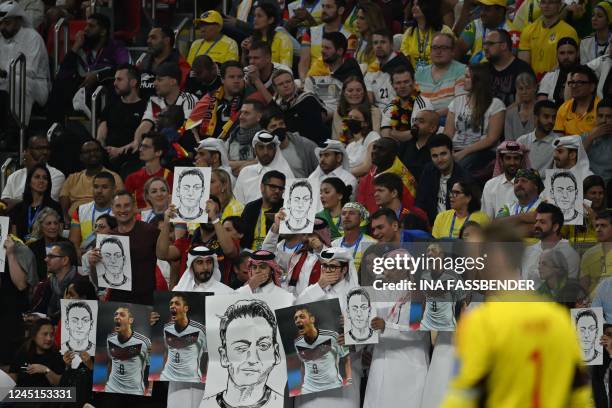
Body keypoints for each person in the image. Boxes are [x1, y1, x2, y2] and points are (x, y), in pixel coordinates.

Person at [440, 224, 593, 408]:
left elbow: (463, 396)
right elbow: (580, 396)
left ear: (495, 256)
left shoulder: (482, 322)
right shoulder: (559, 319)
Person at [47, 13, 129, 123]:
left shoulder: (116, 47)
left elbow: (126, 69)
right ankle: (54, 128)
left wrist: (98, 76)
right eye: (86, 25)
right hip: (81, 88)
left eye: (91, 26)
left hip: (104, 87)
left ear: (103, 32)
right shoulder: (82, 48)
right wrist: (76, 46)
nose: (85, 29)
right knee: (59, 85)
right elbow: (63, 72)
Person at [203, 299, 282, 407]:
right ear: (224, 356)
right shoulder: (206, 405)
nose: (252, 359)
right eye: (241, 348)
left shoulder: (284, 403)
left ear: (276, 354)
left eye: (263, 346)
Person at [88, 191, 160, 304]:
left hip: (147, 300)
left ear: (134, 207)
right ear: (112, 208)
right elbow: (99, 282)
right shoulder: (107, 238)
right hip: (118, 301)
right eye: (118, 206)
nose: (122, 210)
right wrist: (93, 265)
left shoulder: (150, 232)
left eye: (126, 205)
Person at [0, 0, 49, 141]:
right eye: (0, 23)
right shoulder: (1, 38)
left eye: (7, 23)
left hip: (35, 85)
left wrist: (4, 72)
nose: (2, 27)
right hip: (5, 82)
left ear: (18, 21)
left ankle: (16, 132)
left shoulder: (32, 37)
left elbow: (30, 71)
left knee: (18, 81)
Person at [444, 63, 505, 173]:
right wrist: (447, 151)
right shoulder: (456, 102)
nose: (463, 79)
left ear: (478, 81)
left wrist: (464, 152)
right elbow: (448, 134)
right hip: (455, 149)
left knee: (459, 167)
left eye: (467, 77)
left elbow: (491, 139)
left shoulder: (495, 104)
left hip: (481, 152)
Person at [132, 62, 198, 152]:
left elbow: (187, 129)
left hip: (182, 149)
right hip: (158, 150)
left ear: (173, 81)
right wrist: (137, 141)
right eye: (155, 80)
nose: (154, 83)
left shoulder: (189, 99)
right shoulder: (154, 101)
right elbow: (145, 125)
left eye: (159, 80)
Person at [97, 64, 147, 173]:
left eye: (119, 80)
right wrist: (104, 149)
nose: (115, 83)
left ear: (133, 82)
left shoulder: (145, 107)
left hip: (133, 158)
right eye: (115, 79)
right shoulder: (111, 105)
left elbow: (141, 141)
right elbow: (101, 133)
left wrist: (119, 151)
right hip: (108, 157)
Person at [416, 134, 473, 226]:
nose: (440, 159)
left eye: (443, 154)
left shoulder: (464, 178)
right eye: (435, 156)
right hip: (431, 226)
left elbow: (469, 212)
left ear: (452, 152)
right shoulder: (428, 171)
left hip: (455, 227)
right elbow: (420, 201)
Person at [59, 141, 122, 222]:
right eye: (88, 152)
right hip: (73, 222)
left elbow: (120, 200)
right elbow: (63, 197)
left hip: (103, 221)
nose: (92, 154)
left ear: (101, 154)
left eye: (96, 150)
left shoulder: (114, 177)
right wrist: (65, 218)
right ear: (81, 157)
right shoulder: (72, 178)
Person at [187, 61, 250, 140]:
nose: (236, 81)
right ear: (222, 80)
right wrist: (199, 144)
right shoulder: (209, 98)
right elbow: (190, 125)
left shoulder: (250, 99)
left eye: (240, 77)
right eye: (231, 77)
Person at [305, 32, 363, 118]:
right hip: (318, 115)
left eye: (327, 48)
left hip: (343, 117)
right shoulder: (317, 69)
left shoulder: (350, 70)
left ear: (339, 51)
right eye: (322, 47)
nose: (322, 51)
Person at [521, 202, 580, 286]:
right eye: (536, 221)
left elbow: (567, 290)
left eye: (542, 222)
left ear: (555, 227)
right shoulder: (529, 251)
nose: (536, 225)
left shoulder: (568, 254)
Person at [518, 0, 579, 78]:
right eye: (543, 2)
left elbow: (565, 63)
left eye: (551, 2)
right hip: (532, 83)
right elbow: (524, 65)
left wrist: (546, 81)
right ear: (540, 5)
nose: (546, 6)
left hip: (556, 80)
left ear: (559, 5)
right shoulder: (528, 30)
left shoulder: (569, 32)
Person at [1, 135, 65, 208]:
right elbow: (4, 204)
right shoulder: (15, 176)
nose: (45, 152)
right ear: (27, 151)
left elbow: (45, 204)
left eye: (47, 148)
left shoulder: (57, 175)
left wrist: (15, 202)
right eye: (39, 148)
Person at [357, 137, 417, 214]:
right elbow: (361, 210)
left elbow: (407, 211)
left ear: (393, 154)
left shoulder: (404, 181)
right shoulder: (366, 179)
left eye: (381, 149)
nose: (375, 152)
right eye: (374, 148)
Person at [415, 33, 466, 124]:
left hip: (449, 118)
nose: (438, 52)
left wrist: (432, 115)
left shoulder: (462, 70)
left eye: (444, 48)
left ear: (452, 51)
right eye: (435, 48)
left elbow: (460, 103)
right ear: (430, 51)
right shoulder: (419, 73)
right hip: (420, 119)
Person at [234, 130, 294, 205]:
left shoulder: (286, 174)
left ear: (275, 150)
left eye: (269, 147)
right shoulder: (245, 172)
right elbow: (237, 204)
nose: (265, 152)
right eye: (261, 147)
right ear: (254, 150)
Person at [272, 69, 328, 146]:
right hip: (289, 145)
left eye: (288, 82)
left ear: (293, 82)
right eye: (281, 84)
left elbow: (315, 130)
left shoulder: (308, 99)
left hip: (313, 145)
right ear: (275, 88)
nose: (285, 85)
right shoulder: (276, 104)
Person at [104, 306, 151, 395]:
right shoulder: (109, 339)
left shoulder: (144, 342)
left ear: (130, 320)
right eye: (116, 315)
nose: (117, 317)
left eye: (122, 315)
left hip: (134, 391)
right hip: (111, 388)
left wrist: (149, 391)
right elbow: (111, 362)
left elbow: (151, 369)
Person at [297, 0, 350, 80]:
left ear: (340, 10)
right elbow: (304, 62)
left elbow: (347, 64)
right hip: (312, 79)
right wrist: (304, 81)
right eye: (323, 6)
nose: (324, 10)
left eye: (328, 7)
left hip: (337, 80)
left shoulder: (349, 36)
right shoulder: (310, 32)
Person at [159, 294, 206, 382]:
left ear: (186, 309)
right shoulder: (166, 328)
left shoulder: (200, 330)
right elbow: (167, 350)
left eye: (177, 303)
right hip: (166, 376)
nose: (172, 306)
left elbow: (208, 356)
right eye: (171, 304)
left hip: (191, 379)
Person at [262, 107, 320, 178]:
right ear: (265, 131)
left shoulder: (307, 146)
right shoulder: (262, 151)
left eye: (281, 124)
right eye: (273, 126)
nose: (279, 128)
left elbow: (322, 171)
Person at [10, 164, 63, 241]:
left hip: (46, 250)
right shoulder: (18, 208)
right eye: (37, 177)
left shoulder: (55, 207)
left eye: (45, 178)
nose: (41, 181)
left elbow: (58, 236)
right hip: (21, 250)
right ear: (29, 181)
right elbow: (14, 239)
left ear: (48, 183)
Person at [68, 171, 116, 257]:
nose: (99, 191)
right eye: (96, 187)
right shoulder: (80, 210)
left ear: (114, 190)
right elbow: (74, 243)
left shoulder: (119, 212)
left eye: (104, 187)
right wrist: (83, 259)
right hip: (84, 260)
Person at [365, 29, 413, 112]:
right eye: (375, 43)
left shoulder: (402, 64)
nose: (379, 46)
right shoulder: (372, 69)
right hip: (377, 113)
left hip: (399, 111)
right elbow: (369, 100)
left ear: (391, 45)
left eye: (383, 42)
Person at [136, 26, 190, 99]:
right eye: (148, 38)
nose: (148, 41)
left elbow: (182, 94)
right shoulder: (143, 61)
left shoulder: (181, 65)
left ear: (166, 40)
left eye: (153, 38)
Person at [381, 66, 434, 141]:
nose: (402, 86)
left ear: (413, 82)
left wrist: (394, 133)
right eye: (398, 83)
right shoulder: (389, 107)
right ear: (392, 85)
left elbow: (420, 134)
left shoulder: (424, 103)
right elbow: (385, 135)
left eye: (406, 82)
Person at [484, 29, 535, 107]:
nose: (485, 48)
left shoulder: (523, 70)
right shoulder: (483, 69)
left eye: (490, 44)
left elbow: (524, 103)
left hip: (511, 117)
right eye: (485, 44)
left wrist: (498, 115)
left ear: (503, 46)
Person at [456, 0, 517, 64]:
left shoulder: (512, 33)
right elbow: (458, 50)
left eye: (487, 9)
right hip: (472, 70)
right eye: (482, 8)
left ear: (500, 11)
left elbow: (507, 64)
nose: (482, 13)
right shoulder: (475, 25)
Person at [124, 132, 174, 209]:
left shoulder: (170, 177)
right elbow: (126, 207)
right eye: (141, 146)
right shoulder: (131, 178)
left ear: (158, 152)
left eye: (145, 147)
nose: (140, 149)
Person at [481, 141, 530, 218]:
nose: (512, 162)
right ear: (501, 160)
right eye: (508, 158)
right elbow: (486, 219)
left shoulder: (531, 186)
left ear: (521, 160)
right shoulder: (490, 185)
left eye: (516, 158)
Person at [8, 318, 63, 387]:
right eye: (45, 334)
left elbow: (59, 383)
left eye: (51, 334)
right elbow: (13, 374)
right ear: (34, 335)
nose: (49, 338)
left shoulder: (56, 355)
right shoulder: (22, 353)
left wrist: (45, 370)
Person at [400, 0, 453, 70]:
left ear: (429, 7)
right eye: (413, 5)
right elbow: (404, 59)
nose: (414, 8)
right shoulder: (409, 32)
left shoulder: (444, 31)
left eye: (418, 5)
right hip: (415, 76)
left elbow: (450, 58)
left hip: (440, 74)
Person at [239, 170, 285, 250]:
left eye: (280, 188)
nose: (277, 191)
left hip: (273, 255)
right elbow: (242, 238)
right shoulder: (250, 208)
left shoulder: (285, 209)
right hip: (249, 255)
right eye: (273, 187)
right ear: (262, 187)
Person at [241, 2, 293, 67]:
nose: (255, 19)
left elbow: (286, 68)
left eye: (259, 16)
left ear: (270, 20)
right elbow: (245, 69)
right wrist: (244, 52)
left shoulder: (283, 39)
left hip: (277, 76)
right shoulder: (251, 39)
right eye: (254, 16)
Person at [332, 76, 381, 143]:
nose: (355, 93)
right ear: (344, 93)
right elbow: (337, 140)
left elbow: (376, 138)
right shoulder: (338, 112)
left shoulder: (374, 111)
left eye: (358, 90)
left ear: (364, 92)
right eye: (350, 90)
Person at [554, 65, 600, 135]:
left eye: (580, 83)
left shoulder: (601, 107)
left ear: (592, 87)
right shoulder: (564, 108)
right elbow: (558, 139)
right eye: (572, 82)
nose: (574, 86)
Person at [516, 100, 560, 173]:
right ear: (535, 118)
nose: (551, 121)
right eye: (546, 116)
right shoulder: (521, 141)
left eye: (553, 117)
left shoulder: (559, 143)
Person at [27, 207, 70, 281]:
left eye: (55, 223)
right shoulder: (33, 247)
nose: (53, 227)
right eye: (48, 223)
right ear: (41, 226)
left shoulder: (67, 245)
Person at [331, 202, 377, 271]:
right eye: (343, 214)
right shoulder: (334, 244)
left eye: (351, 213)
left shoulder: (370, 243)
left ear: (361, 218)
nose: (346, 216)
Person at [341, 106, 381, 177]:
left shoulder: (372, 136)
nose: (351, 120)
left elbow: (365, 168)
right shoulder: (350, 146)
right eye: (350, 117)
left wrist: (343, 173)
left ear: (365, 123)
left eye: (356, 118)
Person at [537, 38, 580, 104]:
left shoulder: (585, 76)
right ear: (557, 55)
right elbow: (542, 105)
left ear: (577, 54)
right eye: (562, 53)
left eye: (570, 53)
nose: (566, 57)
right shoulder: (549, 77)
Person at [399, 109, 438, 181]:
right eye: (415, 120)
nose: (415, 123)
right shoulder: (404, 145)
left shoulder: (438, 148)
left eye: (421, 121)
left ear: (432, 128)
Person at [580, 210, 612, 294]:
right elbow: (583, 286)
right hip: (593, 304)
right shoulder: (588, 254)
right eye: (596, 226)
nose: (598, 229)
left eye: (603, 226)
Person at [581, 98, 612, 184]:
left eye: (608, 116)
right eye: (600, 116)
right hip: (586, 185)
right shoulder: (586, 136)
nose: (603, 120)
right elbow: (574, 159)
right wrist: (592, 137)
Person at [226, 99, 264, 166]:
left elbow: (261, 163)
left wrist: (233, 164)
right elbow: (223, 163)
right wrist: (250, 163)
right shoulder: (232, 136)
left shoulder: (264, 137)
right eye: (241, 113)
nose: (241, 117)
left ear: (258, 117)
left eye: (246, 113)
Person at [504, 73, 537, 140]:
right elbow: (509, 141)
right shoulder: (510, 114)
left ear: (535, 88)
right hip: (513, 149)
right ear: (516, 89)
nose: (524, 92)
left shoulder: (540, 111)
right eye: (521, 88)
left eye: (528, 88)